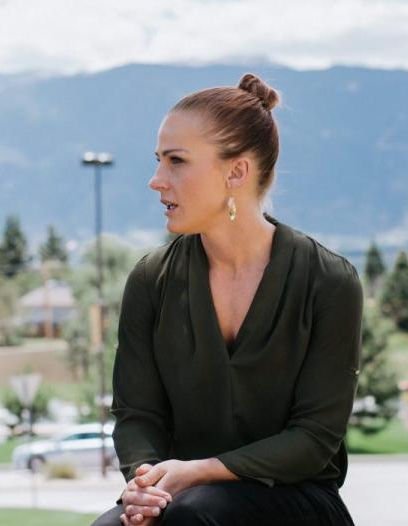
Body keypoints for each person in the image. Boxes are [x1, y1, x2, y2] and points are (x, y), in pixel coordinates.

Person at [93, 74, 363, 526]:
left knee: (193, 515)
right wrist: (145, 483)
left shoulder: (328, 281)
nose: (156, 181)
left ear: (236, 172)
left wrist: (197, 473)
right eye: (159, 160)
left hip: (298, 501)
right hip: (180, 499)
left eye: (176, 161)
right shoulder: (150, 280)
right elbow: (137, 415)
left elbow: (314, 439)